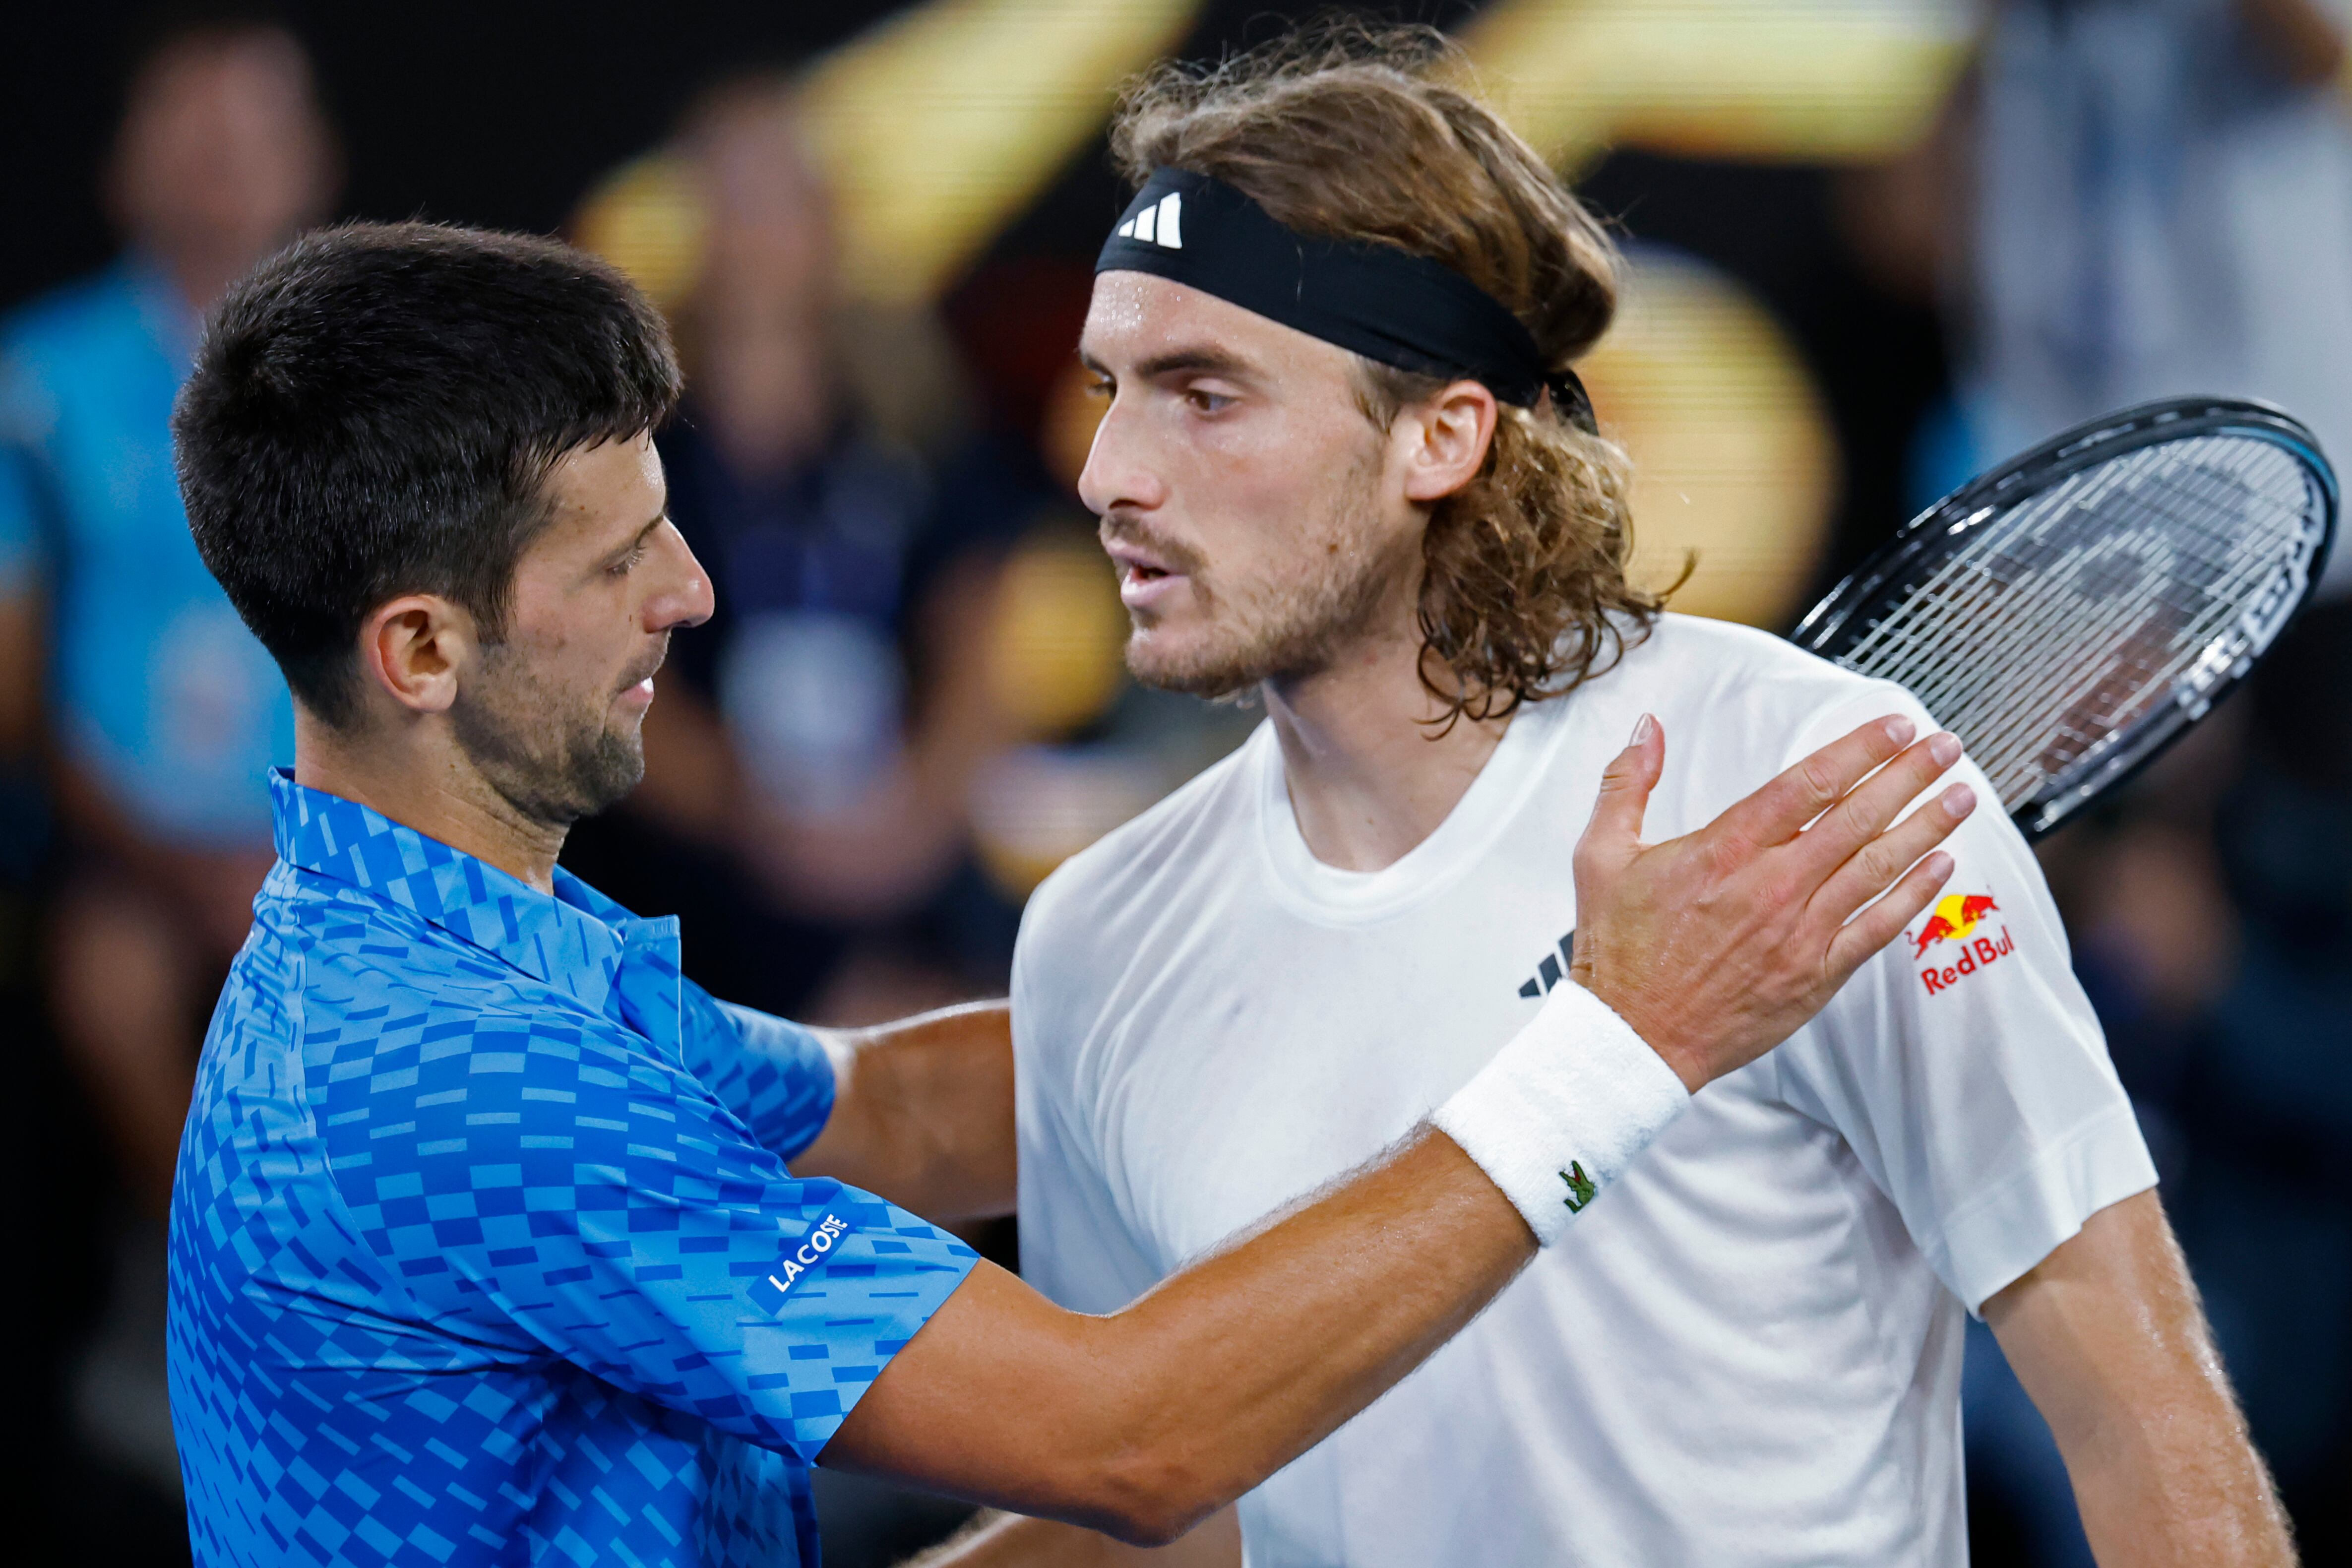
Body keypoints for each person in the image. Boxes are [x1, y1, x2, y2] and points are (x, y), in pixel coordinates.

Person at [163, 220, 1968, 1567]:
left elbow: (905, 1111)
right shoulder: (457, 1080)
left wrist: (1444, 944)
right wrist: (1622, 1046)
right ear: (422, 650)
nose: (694, 593)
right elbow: (1131, 1439)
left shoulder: (444, 943)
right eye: (623, 557)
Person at [926, 32, 2296, 1568]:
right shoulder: (1095, 940)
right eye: (1111, 389)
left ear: (1440, 435)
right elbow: (1164, 1497)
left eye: (1204, 395)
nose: (1108, 469)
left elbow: (2142, 1426)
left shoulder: (1826, 784)